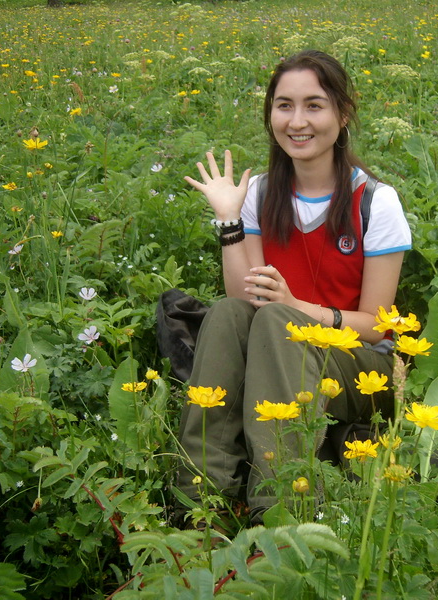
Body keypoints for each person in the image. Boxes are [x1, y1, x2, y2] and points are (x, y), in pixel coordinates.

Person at [176, 50, 411, 525]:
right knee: (224, 314)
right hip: (278, 347)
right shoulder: (260, 194)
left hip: (361, 370)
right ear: (270, 116)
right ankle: (199, 499)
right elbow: (247, 301)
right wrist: (228, 220)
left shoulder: (376, 203)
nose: (297, 121)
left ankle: (284, 509)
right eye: (284, 105)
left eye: (314, 105)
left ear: (343, 115)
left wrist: (295, 308)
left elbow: (375, 329)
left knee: (281, 321)